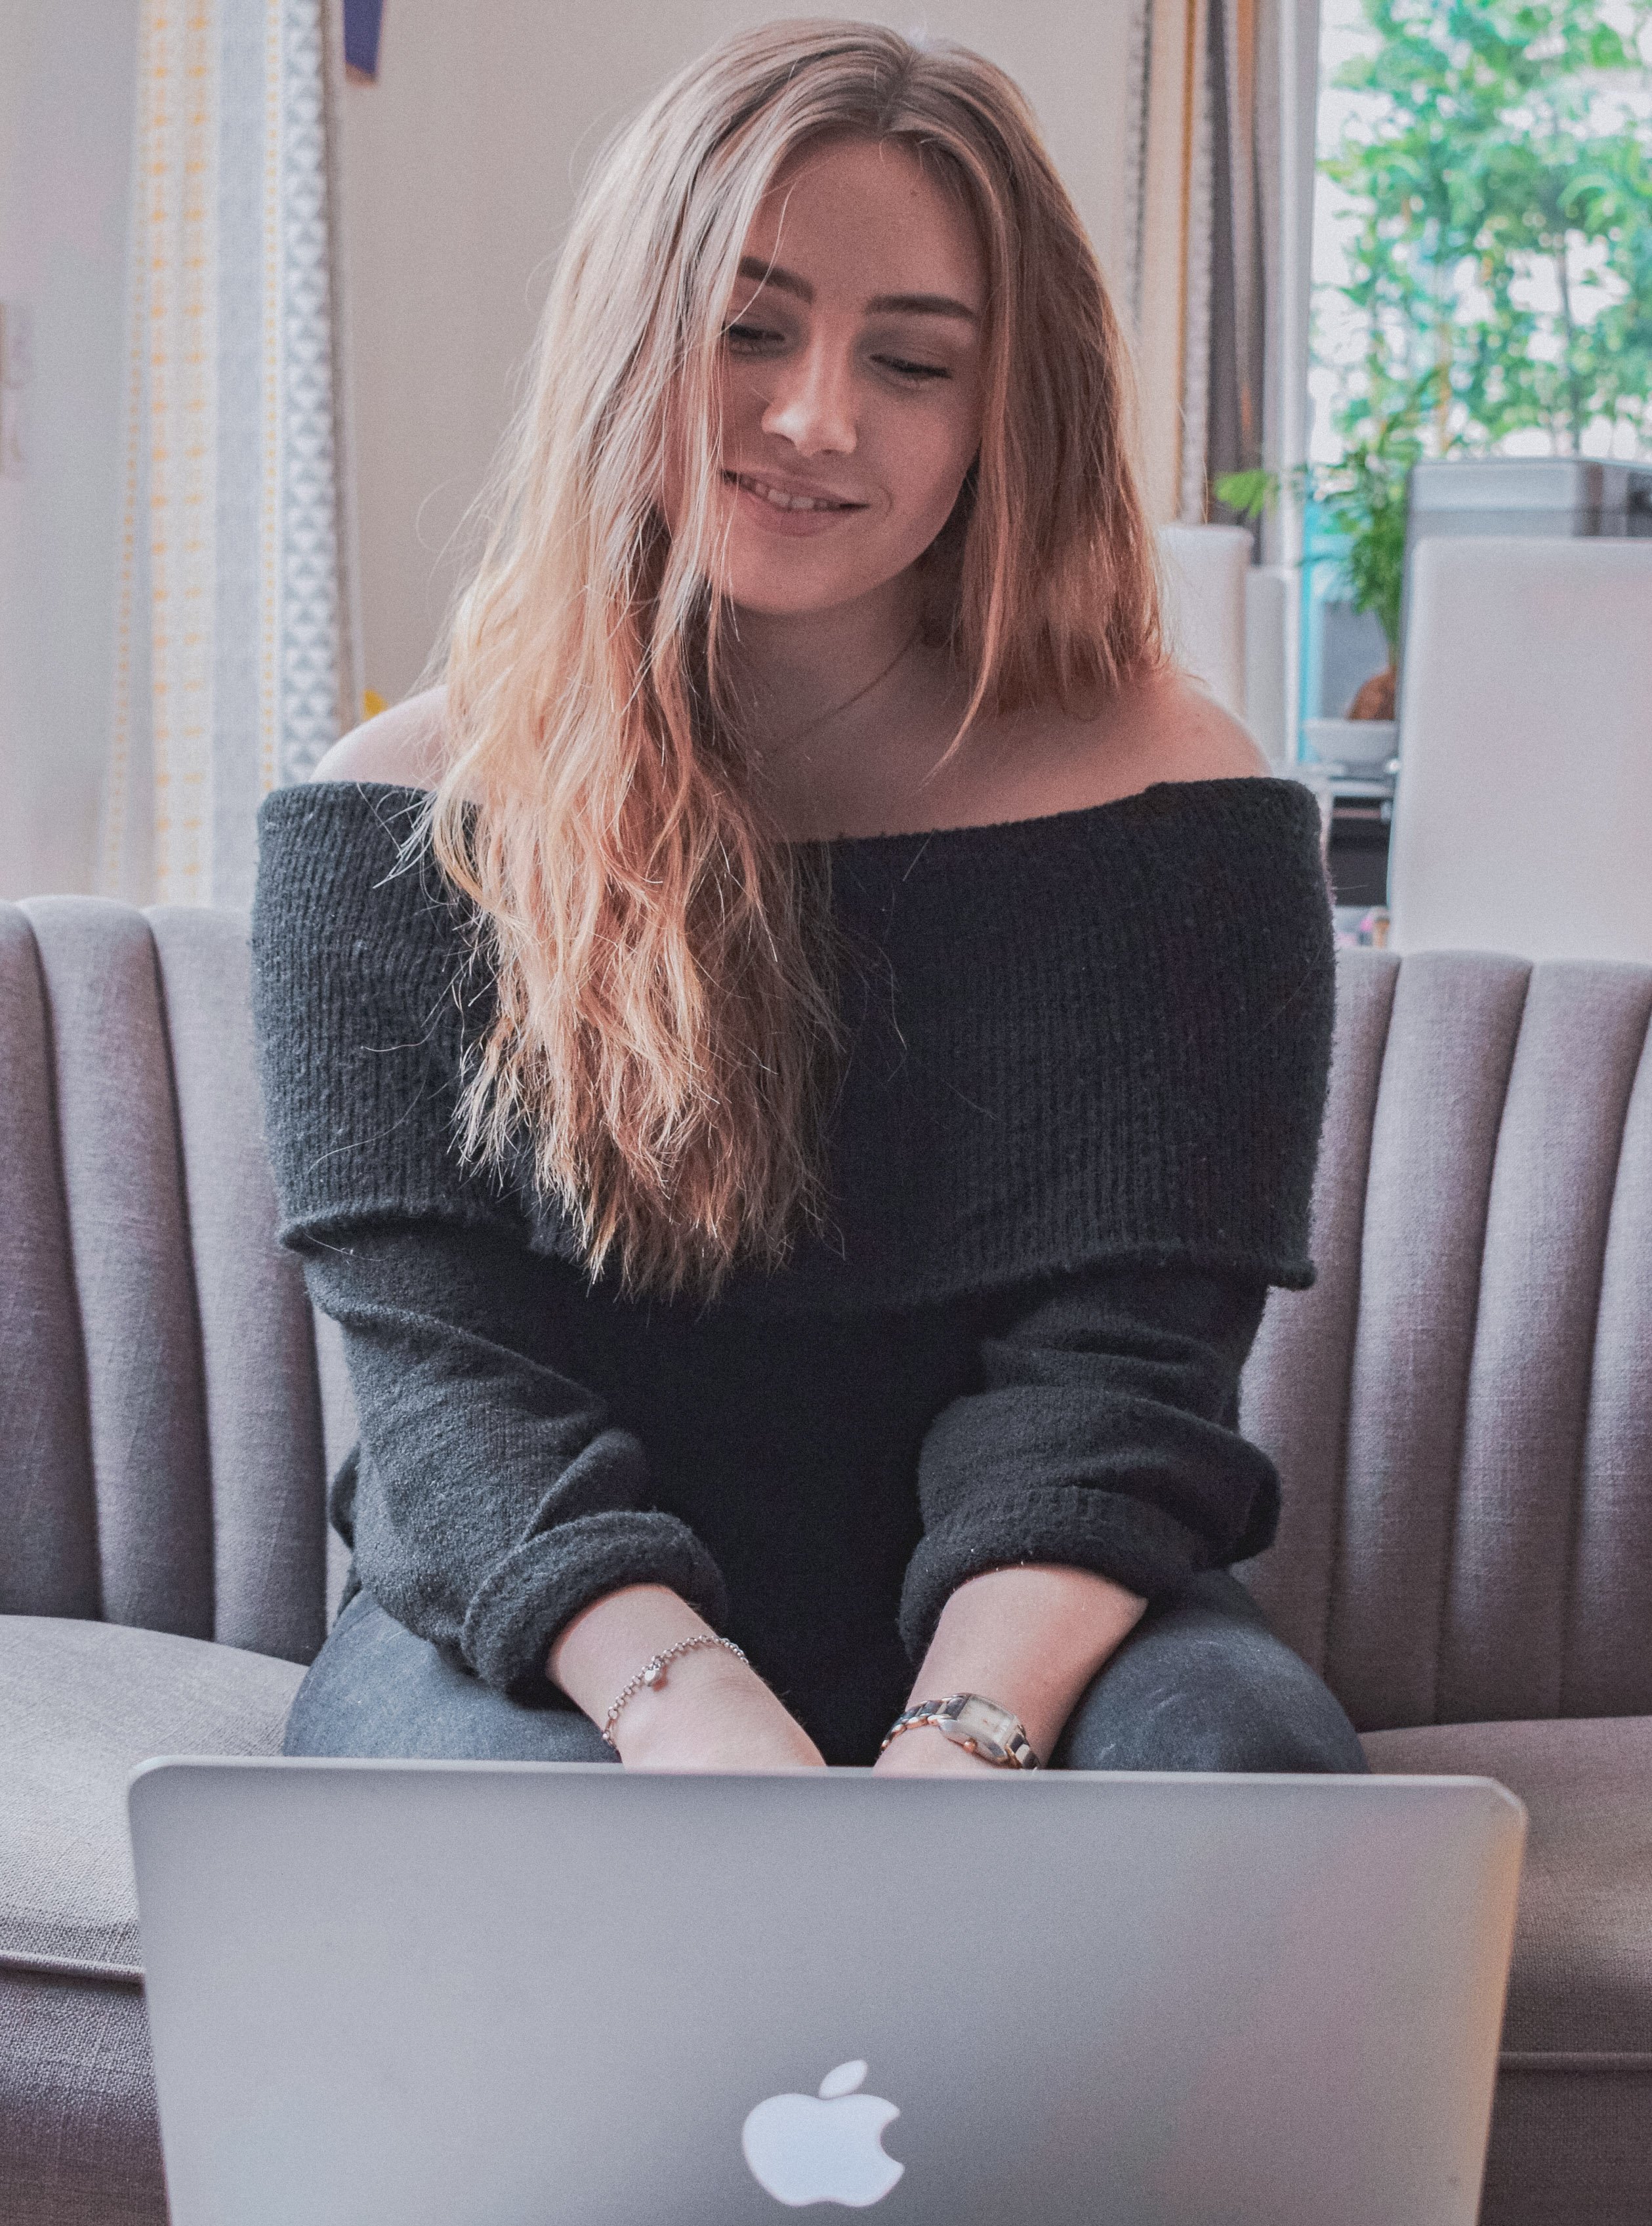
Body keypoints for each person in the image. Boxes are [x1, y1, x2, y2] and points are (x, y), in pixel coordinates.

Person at [251, 19, 1363, 1783]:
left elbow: (1124, 1382)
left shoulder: (1188, 809)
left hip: (1032, 1624)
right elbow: (450, 1398)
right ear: (628, 342)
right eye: (749, 330)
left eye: (913, 363)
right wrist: (681, 1701)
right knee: (487, 1822)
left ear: (1008, 406)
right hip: (550, 1632)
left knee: (1234, 1766)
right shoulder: (381, 819)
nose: (817, 417)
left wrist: (962, 1736)